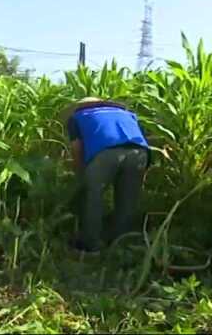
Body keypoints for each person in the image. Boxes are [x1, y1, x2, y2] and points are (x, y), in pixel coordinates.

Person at [62, 97, 150, 254]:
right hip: (139, 153)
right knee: (127, 199)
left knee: (92, 196)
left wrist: (80, 173)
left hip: (104, 153)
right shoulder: (127, 114)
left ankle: (91, 245)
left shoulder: (77, 117)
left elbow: (77, 148)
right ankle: (121, 245)